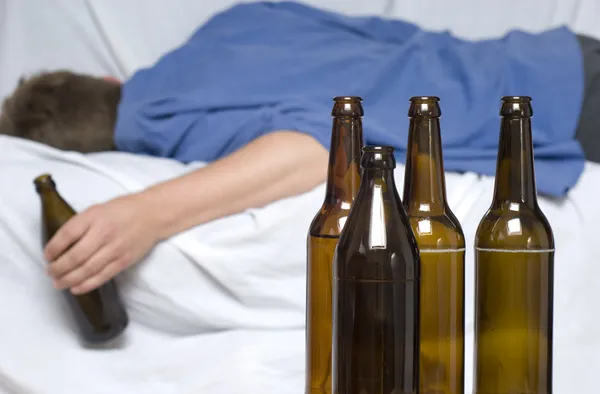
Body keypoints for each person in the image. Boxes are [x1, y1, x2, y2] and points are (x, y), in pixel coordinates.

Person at [0, 1, 598, 296]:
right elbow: (381, 37)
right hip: (558, 55)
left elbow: (317, 147)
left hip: (563, 112)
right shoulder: (235, 20)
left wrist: (145, 212)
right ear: (105, 80)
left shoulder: (160, 124)